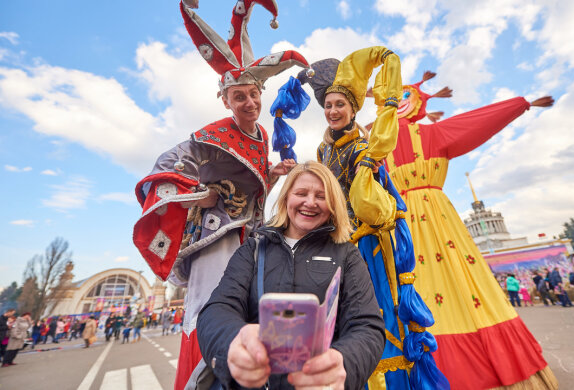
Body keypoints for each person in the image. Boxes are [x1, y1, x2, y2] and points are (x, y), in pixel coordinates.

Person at [132, 3, 308, 388]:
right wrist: (198, 195)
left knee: (251, 312)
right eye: (239, 97)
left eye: (253, 94)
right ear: (225, 101)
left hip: (254, 241)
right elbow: (168, 164)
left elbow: (255, 196)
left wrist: (274, 176)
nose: (249, 103)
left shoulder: (262, 139)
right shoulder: (214, 134)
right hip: (217, 240)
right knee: (213, 311)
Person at [378, 69, 557, 388]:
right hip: (398, 224)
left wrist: (519, 104)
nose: (398, 101)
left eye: (406, 95)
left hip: (434, 222)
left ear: (417, 101)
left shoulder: (432, 134)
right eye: (394, 96)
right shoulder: (377, 148)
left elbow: (475, 121)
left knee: (453, 284)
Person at [293, 48, 447, 389]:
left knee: (376, 315)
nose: (333, 111)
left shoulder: (364, 150)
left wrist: (370, 175)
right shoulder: (323, 151)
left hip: (367, 246)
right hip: (335, 245)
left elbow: (374, 207)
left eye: (339, 105)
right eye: (328, 105)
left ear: (352, 109)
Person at [197, 161, 385, 390]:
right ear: (286, 198)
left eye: (321, 196)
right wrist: (232, 343)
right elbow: (218, 308)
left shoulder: (347, 255)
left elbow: (367, 326)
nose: (310, 202)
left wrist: (345, 363)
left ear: (333, 205)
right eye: (301, 193)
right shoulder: (253, 249)